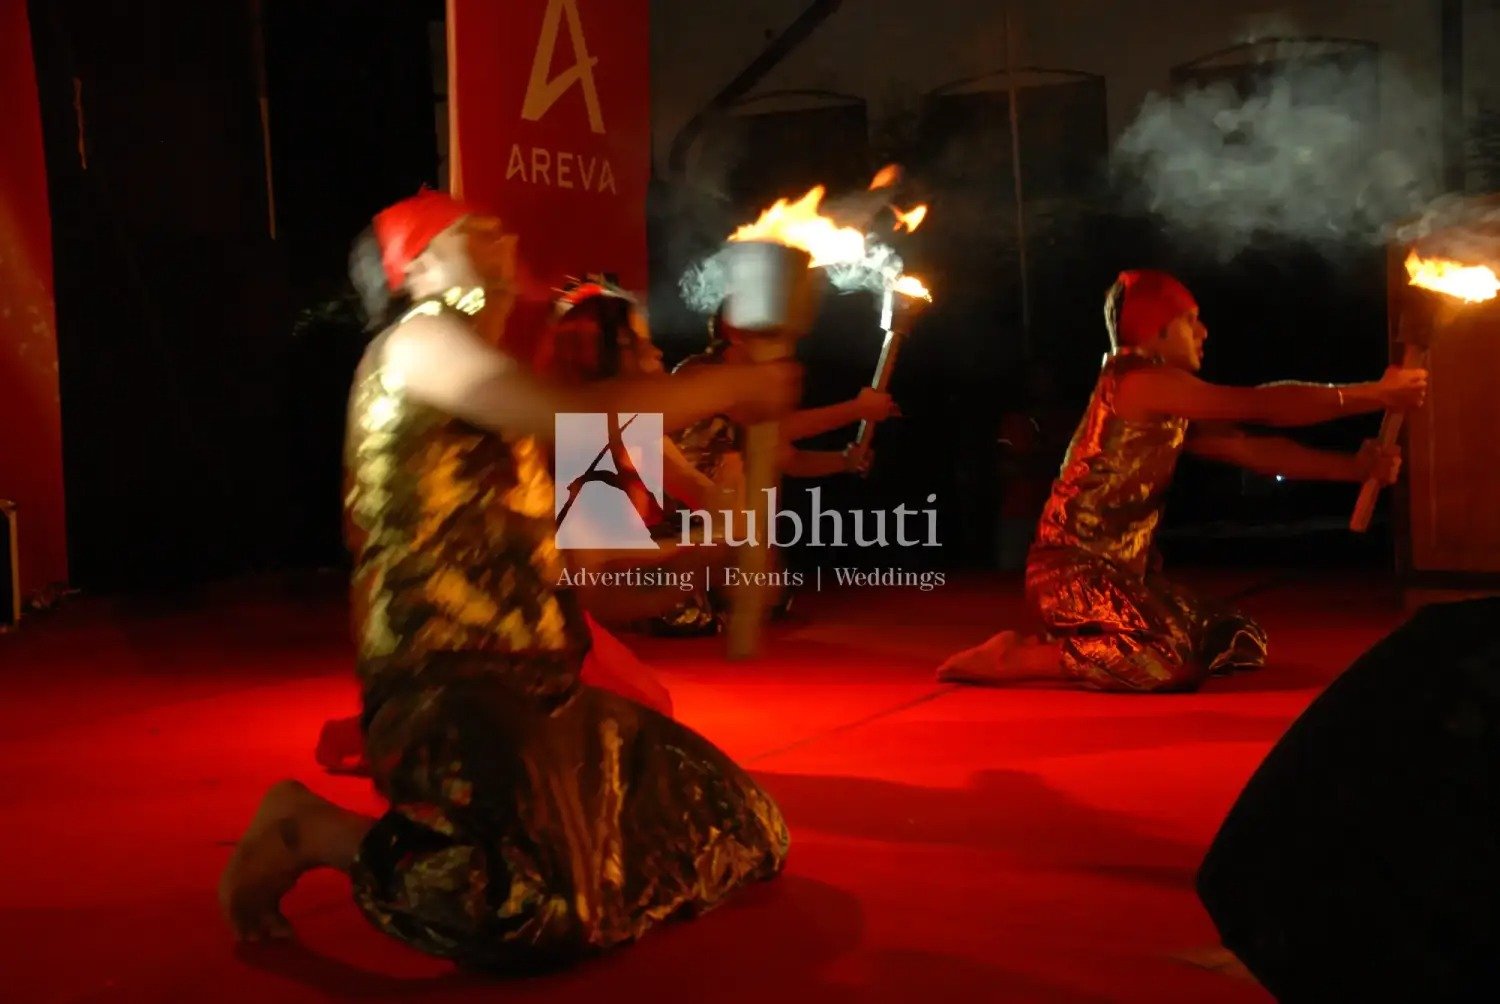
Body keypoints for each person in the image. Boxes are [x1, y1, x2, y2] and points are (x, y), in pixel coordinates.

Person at [221, 190, 797, 968]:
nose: (496, 230)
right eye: (468, 230)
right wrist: (729, 388)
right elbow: (571, 413)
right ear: (417, 267)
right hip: (450, 689)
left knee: (739, 824)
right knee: (521, 905)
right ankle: (308, 830)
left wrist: (707, 565)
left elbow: (591, 594)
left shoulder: (515, 405)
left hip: (548, 691)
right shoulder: (415, 345)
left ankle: (553, 851)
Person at [937, 269, 1427, 692]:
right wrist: (1375, 394)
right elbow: (1258, 406)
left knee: (1237, 639)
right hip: (1072, 574)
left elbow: (1249, 447)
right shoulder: (1137, 381)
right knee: (1166, 663)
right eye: (1192, 321)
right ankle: (1027, 657)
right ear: (1159, 330)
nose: (1204, 332)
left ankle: (1102, 642)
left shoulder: (1170, 402)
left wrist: (1354, 469)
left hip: (1128, 577)